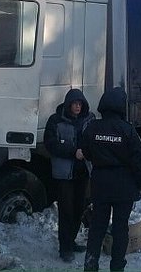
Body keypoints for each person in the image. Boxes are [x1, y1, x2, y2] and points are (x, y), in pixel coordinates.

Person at [81, 87, 141, 272]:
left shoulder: (92, 127)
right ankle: (117, 267)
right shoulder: (128, 130)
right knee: (120, 229)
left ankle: (90, 264)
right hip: (123, 186)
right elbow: (137, 161)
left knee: (97, 227)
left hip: (100, 184)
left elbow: (85, 152)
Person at [44, 88, 95, 262]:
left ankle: (71, 241)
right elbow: (51, 144)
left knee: (79, 209)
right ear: (68, 105)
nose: (78, 107)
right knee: (66, 211)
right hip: (64, 175)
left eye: (80, 104)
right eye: (75, 104)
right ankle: (64, 248)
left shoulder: (89, 120)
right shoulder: (55, 120)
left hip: (83, 173)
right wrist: (74, 152)